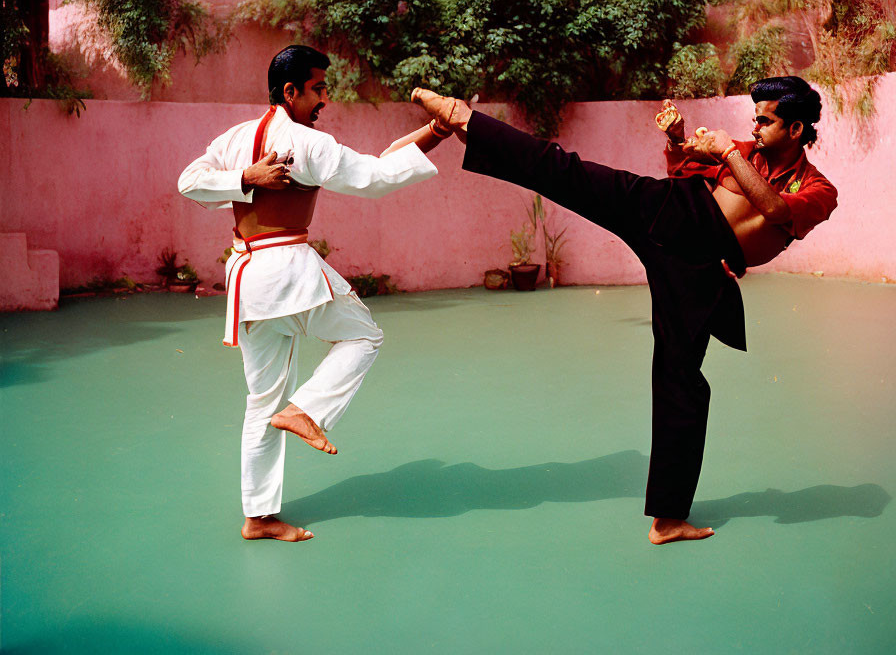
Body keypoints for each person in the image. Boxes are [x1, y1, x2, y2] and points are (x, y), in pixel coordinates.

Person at [411, 76, 837, 544]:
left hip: (699, 271)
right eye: (753, 118)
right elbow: (681, 172)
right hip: (673, 212)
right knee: (567, 172)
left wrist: (728, 154)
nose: (753, 127)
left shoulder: (818, 189)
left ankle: (669, 518)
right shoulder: (740, 151)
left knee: (682, 384)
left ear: (796, 129)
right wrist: (677, 139)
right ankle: (461, 117)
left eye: (765, 120)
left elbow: (777, 211)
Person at [178, 45, 450, 542]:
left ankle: (258, 518)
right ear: (291, 91)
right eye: (319, 88)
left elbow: (189, 182)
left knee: (262, 402)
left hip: (247, 279)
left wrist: (435, 132)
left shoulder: (237, 137)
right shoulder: (303, 142)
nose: (326, 97)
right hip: (287, 274)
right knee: (364, 337)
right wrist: (249, 177)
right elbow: (374, 176)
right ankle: (307, 411)